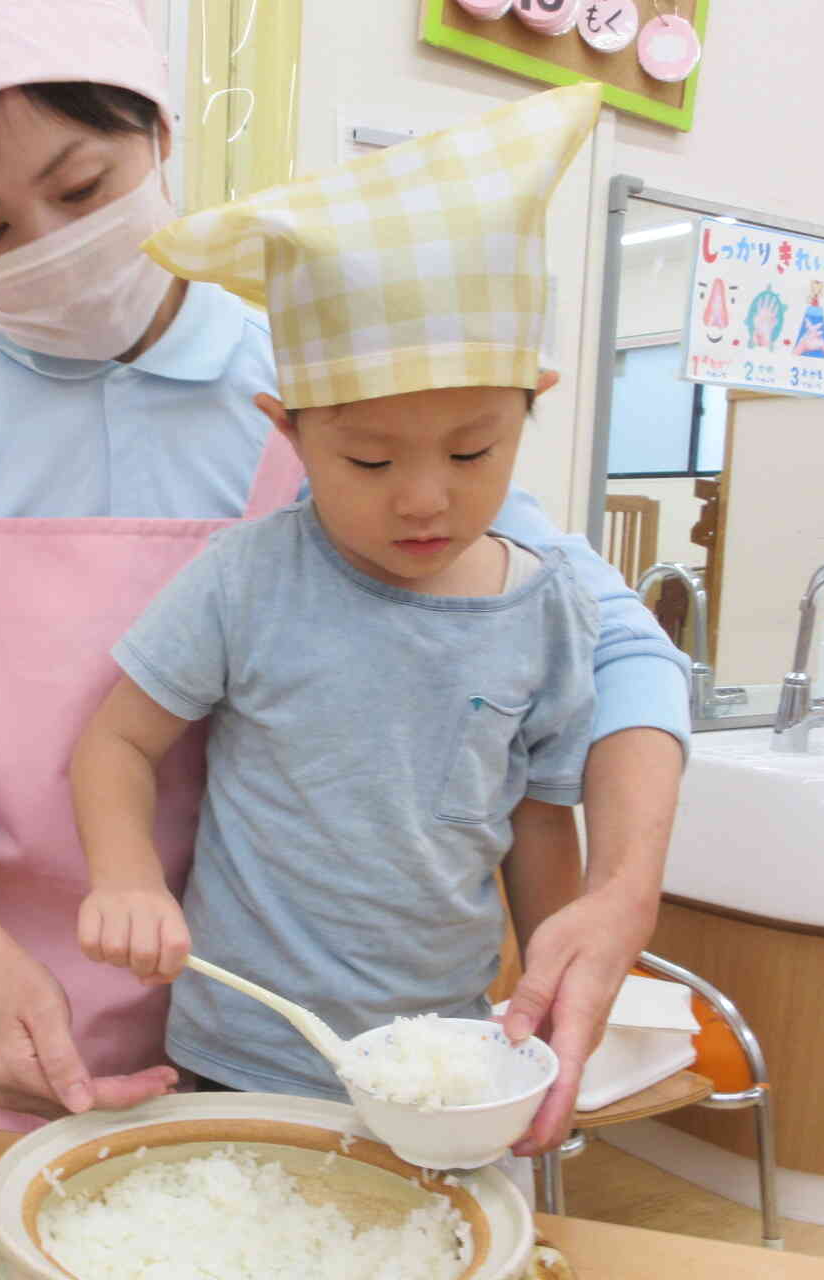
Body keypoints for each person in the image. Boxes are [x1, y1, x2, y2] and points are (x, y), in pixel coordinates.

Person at [0, 0, 691, 1144]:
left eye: (80, 191)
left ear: (160, 133)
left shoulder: (338, 387)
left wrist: (617, 895)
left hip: (263, 1025)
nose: (49, 249)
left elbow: (610, 644)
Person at [71, 86, 601, 1110]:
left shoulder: (545, 607)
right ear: (287, 430)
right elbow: (115, 743)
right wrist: (125, 876)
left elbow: (540, 819)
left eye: (470, 449)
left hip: (438, 1063)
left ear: (532, 401)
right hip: (240, 1051)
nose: (421, 498)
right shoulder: (247, 577)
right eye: (365, 458)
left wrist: (544, 1003)